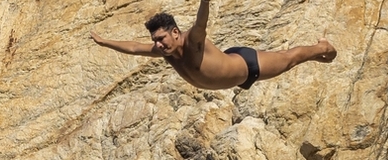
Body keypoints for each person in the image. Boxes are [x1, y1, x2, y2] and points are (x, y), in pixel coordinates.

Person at [91, 0, 335, 91]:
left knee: (289, 59)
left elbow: (201, 23)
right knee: (288, 60)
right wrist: (104, 42)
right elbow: (134, 47)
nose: (157, 44)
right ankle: (318, 51)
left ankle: (323, 48)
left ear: (175, 32)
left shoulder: (192, 41)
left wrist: (205, 1)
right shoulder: (165, 52)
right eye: (155, 39)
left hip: (246, 66)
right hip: (229, 70)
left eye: (161, 38)